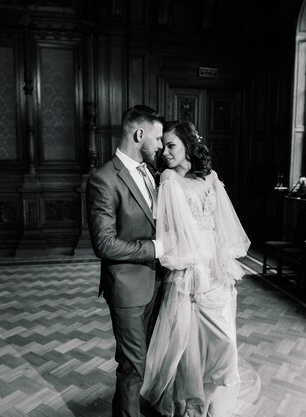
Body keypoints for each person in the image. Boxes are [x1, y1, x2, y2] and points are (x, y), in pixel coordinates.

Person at [141, 121, 250, 417]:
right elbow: (172, 230)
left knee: (224, 342)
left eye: (171, 145)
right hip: (188, 268)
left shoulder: (211, 177)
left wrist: (224, 262)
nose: (164, 152)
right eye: (162, 146)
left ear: (189, 145)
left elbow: (222, 225)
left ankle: (209, 394)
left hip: (215, 267)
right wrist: (189, 265)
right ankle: (191, 405)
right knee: (187, 345)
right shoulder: (168, 179)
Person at [86, 104, 166, 417]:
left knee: (137, 362)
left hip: (156, 283)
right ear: (139, 133)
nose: (160, 145)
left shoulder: (151, 173)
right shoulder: (104, 179)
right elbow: (104, 244)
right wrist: (155, 249)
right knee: (134, 364)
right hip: (128, 290)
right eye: (157, 138)